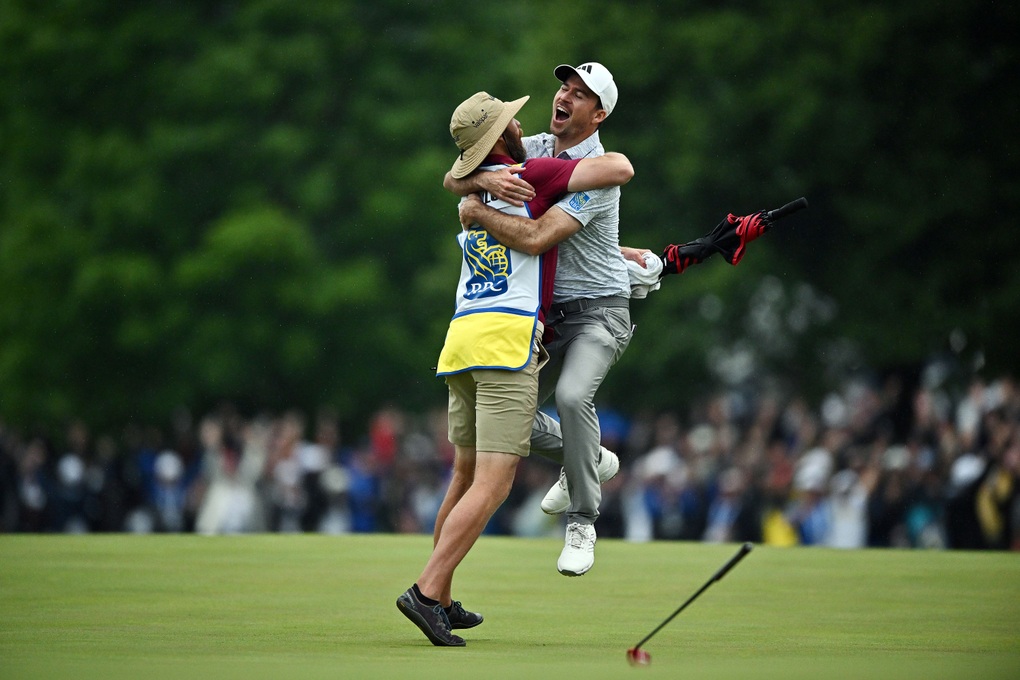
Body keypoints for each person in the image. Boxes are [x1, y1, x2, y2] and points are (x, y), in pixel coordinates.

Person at [396, 91, 633, 647]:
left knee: (463, 475)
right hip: (507, 341)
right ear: (502, 136)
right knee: (493, 483)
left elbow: (453, 180)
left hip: (461, 339)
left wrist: (475, 187)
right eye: (510, 121)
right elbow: (618, 169)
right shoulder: (536, 173)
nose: (520, 123)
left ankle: (442, 596)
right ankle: (425, 594)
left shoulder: (470, 181)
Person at [446, 62, 635, 577]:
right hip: (548, 318)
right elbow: (453, 175)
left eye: (580, 95)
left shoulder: (599, 171)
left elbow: (536, 238)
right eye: (564, 88)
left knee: (572, 398)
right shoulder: (535, 147)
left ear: (598, 115)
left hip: (600, 311)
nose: (564, 97)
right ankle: (588, 457)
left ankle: (583, 522)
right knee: (512, 421)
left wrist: (478, 207)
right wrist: (483, 178)